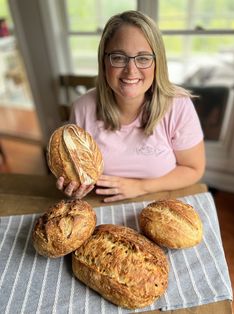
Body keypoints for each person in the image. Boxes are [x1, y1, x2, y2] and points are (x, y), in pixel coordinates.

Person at [56, 10, 205, 203]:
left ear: (157, 62)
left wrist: (139, 187)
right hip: (100, 203)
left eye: (143, 58)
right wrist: (75, 185)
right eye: (119, 57)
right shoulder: (82, 108)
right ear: (104, 61)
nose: (131, 70)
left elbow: (194, 169)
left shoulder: (178, 106)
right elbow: (78, 172)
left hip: (163, 202)